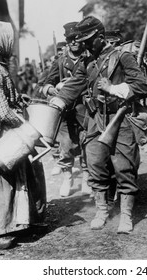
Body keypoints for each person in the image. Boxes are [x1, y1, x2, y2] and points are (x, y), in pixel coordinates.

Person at [49, 16, 147, 234]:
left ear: (101, 37)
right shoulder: (88, 62)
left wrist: (113, 89)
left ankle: (126, 216)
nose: (83, 44)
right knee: (95, 166)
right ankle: (102, 211)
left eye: (87, 40)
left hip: (120, 120)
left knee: (125, 168)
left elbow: (142, 86)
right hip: (95, 121)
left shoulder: (123, 56)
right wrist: (58, 101)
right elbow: (74, 85)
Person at [0, 21, 47, 250]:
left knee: (21, 174)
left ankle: (21, 222)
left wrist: (18, 99)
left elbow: (6, 100)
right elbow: (1, 110)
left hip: (5, 126)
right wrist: (25, 127)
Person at [41, 22, 91, 197]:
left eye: (77, 38)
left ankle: (86, 178)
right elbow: (46, 82)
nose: (75, 42)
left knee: (86, 144)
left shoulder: (90, 59)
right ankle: (67, 179)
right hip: (65, 112)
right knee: (66, 146)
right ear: (67, 41)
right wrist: (51, 89)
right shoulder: (60, 62)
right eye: (71, 39)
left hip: (84, 109)